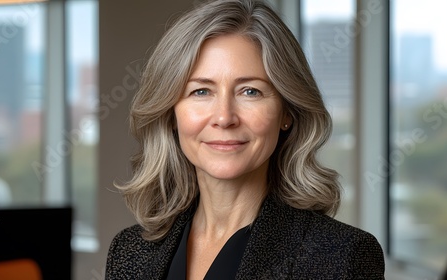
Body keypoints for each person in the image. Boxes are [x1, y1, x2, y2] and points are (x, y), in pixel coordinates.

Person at [105, 0, 385, 279]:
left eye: (250, 91)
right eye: (201, 91)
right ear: (171, 113)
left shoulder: (341, 257)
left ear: (287, 111)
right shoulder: (129, 251)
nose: (224, 118)